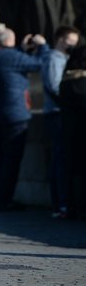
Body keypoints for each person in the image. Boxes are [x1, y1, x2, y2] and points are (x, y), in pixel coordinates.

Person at [0, 28, 49, 212]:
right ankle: (5, 200)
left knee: (0, 156)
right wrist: (42, 46)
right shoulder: (11, 57)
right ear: (10, 41)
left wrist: (20, 49)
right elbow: (40, 64)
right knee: (12, 159)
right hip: (15, 114)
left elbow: (9, 59)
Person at [41, 26, 80, 218]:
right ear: (59, 39)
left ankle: (63, 202)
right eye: (69, 41)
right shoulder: (54, 58)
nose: (72, 45)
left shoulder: (62, 58)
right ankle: (60, 204)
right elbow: (55, 86)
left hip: (61, 112)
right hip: (57, 113)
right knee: (60, 158)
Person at [58, 45, 86, 219]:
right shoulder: (83, 83)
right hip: (83, 132)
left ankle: (70, 206)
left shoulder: (65, 82)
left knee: (71, 171)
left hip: (69, 133)